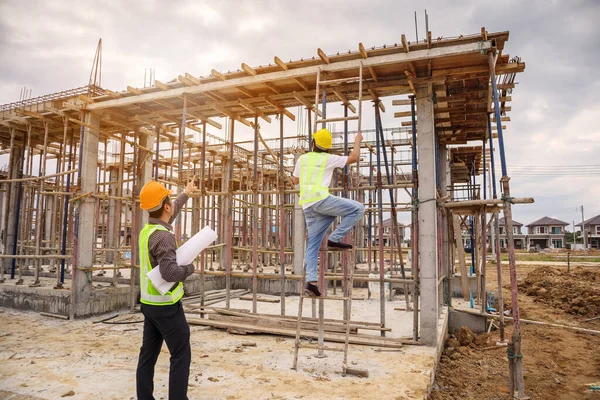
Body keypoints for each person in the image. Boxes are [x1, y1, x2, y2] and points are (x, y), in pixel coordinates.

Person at [136, 177, 197, 400]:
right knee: (181, 354)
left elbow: (172, 209)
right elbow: (170, 273)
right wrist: (189, 268)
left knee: (148, 356)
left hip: (149, 304)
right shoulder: (163, 237)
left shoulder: (149, 231)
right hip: (167, 307)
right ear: (166, 207)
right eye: (171, 202)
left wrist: (186, 193)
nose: (173, 205)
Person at [291, 128, 365, 297]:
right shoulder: (328, 159)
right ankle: (335, 238)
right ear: (327, 147)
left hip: (308, 206)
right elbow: (353, 158)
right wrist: (357, 141)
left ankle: (311, 282)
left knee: (313, 245)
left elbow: (295, 180)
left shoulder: (302, 158)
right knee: (358, 208)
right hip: (322, 200)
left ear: (313, 143)